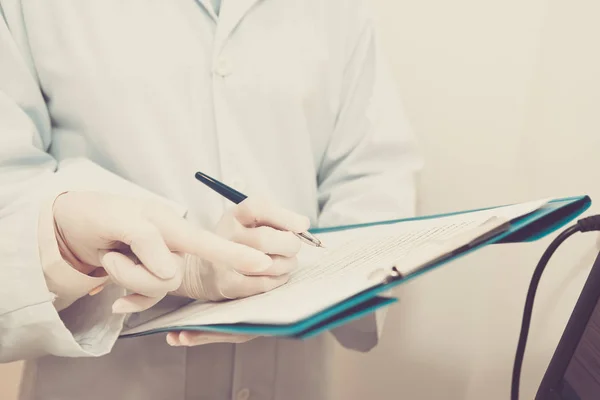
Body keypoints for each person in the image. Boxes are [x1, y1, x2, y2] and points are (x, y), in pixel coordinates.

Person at [0, 0, 422, 399]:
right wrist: (181, 268)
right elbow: (8, 186)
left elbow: (371, 170)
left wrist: (308, 285)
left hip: (294, 374)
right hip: (111, 379)